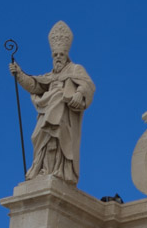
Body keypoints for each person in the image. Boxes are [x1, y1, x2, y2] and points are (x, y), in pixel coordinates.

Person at [9, 21, 95, 185]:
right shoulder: (50, 76)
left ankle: (60, 171)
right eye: (55, 55)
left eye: (61, 54)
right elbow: (34, 85)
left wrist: (79, 93)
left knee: (57, 98)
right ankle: (43, 169)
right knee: (42, 138)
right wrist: (19, 74)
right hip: (47, 113)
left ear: (66, 55)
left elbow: (88, 85)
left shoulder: (75, 69)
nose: (58, 57)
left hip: (65, 117)